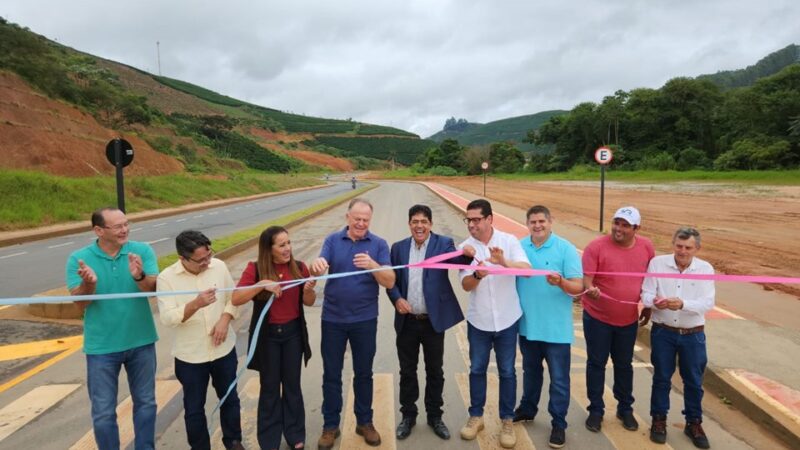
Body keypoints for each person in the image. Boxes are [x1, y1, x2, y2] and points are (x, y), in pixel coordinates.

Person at [65, 207, 158, 450]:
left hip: (142, 340)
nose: (124, 230)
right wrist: (89, 284)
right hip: (102, 348)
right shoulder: (78, 259)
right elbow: (80, 304)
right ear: (98, 230)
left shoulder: (142, 251)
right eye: (117, 226)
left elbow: (152, 290)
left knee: (146, 403)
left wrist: (139, 276)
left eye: (126, 224)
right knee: (104, 412)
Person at [310, 198, 395, 449]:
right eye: (357, 218)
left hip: (364, 320)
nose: (361, 223)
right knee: (331, 374)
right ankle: (330, 426)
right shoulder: (332, 241)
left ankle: (365, 422)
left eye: (365, 220)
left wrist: (373, 265)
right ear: (347, 217)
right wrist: (316, 267)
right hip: (333, 319)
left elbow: (389, 281)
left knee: (364, 373)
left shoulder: (378, 244)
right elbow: (318, 268)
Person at [386, 204, 476, 441]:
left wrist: (467, 254)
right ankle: (408, 416)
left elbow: (457, 259)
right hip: (407, 322)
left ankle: (435, 416)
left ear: (430, 224)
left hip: (432, 322)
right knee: (407, 371)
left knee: (435, 371)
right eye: (415, 222)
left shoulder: (442, 244)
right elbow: (391, 281)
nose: (419, 226)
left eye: (424, 222)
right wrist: (396, 298)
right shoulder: (398, 248)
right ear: (409, 224)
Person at [156, 231, 244, 450]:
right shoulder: (166, 278)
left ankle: (233, 442)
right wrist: (195, 304)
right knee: (194, 408)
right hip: (190, 356)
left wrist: (225, 319)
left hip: (223, 350)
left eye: (209, 255)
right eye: (200, 260)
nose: (207, 262)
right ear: (182, 258)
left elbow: (233, 298)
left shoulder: (219, 266)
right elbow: (168, 318)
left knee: (230, 399)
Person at [232, 226, 316, 450]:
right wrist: (261, 285)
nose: (288, 248)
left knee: (292, 386)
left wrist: (309, 289)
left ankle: (295, 435)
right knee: (269, 388)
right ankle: (269, 441)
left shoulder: (299, 267)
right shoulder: (255, 269)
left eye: (289, 243)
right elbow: (236, 298)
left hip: (293, 335)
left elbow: (309, 301)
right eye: (281, 245)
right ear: (268, 249)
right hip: (268, 338)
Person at [458, 199, 531, 449]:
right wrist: (477, 275)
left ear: (490, 219)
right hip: (479, 320)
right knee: (477, 369)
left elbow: (526, 270)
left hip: (507, 319)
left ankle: (507, 420)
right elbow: (465, 285)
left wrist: (503, 263)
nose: (471, 224)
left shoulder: (509, 241)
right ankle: (476, 416)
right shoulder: (465, 249)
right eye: (468, 220)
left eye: (476, 219)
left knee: (507, 371)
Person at [514, 205, 584, 449]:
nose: (537, 226)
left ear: (550, 222)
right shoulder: (519, 247)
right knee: (530, 373)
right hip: (528, 326)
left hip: (557, 331)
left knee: (559, 380)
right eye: (533, 222)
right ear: (527, 224)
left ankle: (558, 423)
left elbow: (578, 287)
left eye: (541, 221)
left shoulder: (566, 249)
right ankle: (527, 408)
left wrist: (561, 282)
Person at [581, 206, 655, 433]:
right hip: (597, 318)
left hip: (627, 320)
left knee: (624, 365)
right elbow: (587, 279)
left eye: (625, 225)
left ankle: (625, 408)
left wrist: (648, 307)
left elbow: (651, 280)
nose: (618, 229)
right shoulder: (596, 247)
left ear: (636, 228)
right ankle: (596, 410)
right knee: (596, 363)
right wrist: (590, 289)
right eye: (616, 223)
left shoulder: (646, 247)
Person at [642, 227, 715, 449]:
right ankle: (658, 420)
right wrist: (656, 302)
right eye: (679, 246)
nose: (682, 251)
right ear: (673, 244)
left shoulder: (705, 269)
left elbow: (707, 302)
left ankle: (693, 423)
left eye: (688, 248)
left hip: (693, 334)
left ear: (697, 248)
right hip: (663, 332)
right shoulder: (657, 264)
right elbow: (646, 294)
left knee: (693, 381)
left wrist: (683, 304)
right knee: (661, 378)